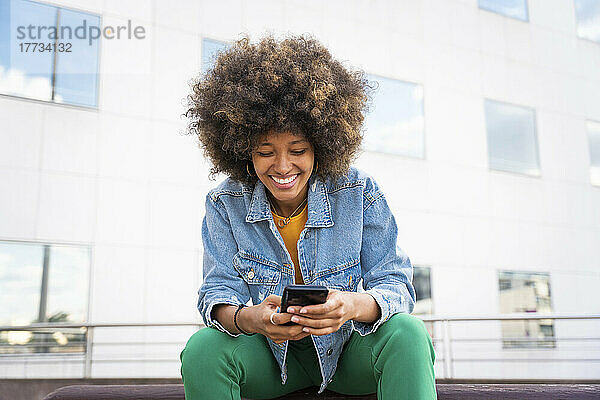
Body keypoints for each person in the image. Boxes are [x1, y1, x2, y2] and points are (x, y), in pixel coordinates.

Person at [180, 34, 437, 400]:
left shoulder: (358, 192)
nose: (282, 167)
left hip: (349, 353)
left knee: (409, 334)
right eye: (265, 152)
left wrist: (350, 306)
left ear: (322, 144)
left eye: (298, 150)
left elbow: (394, 283)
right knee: (204, 349)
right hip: (267, 359)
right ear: (241, 150)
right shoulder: (225, 202)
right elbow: (218, 291)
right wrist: (251, 318)